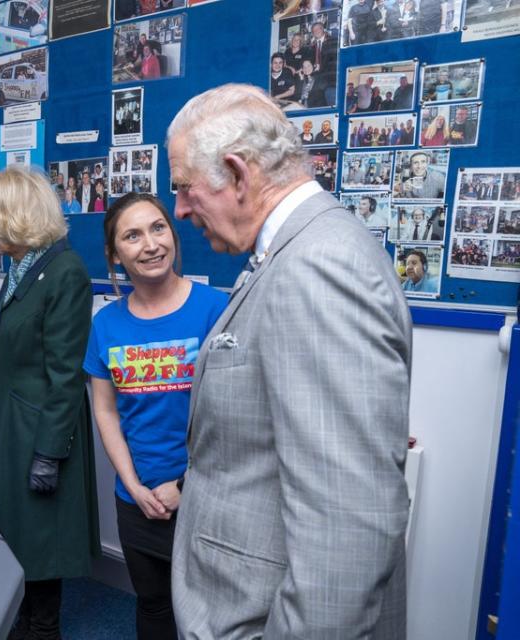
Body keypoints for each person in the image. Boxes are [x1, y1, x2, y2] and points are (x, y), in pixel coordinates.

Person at [166, 84, 411, 639]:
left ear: (237, 172)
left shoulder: (316, 267)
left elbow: (346, 531)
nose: (179, 209)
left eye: (184, 187)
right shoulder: (294, 251)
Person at [85, 193, 227, 639]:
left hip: (205, 498)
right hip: (138, 501)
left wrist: (184, 485)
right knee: (153, 608)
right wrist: (131, 484)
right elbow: (105, 410)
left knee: (210, 618)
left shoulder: (214, 309)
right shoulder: (106, 324)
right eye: (132, 236)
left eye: (158, 228)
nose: (150, 245)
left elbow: (231, 418)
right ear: (114, 254)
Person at [0, 166, 100, 640]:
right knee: (17, 545)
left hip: (40, 433)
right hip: (11, 426)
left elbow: (66, 374)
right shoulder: (24, 265)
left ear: (14, 216)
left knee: (41, 549)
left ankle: (41, 631)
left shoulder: (65, 271)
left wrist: (49, 453)